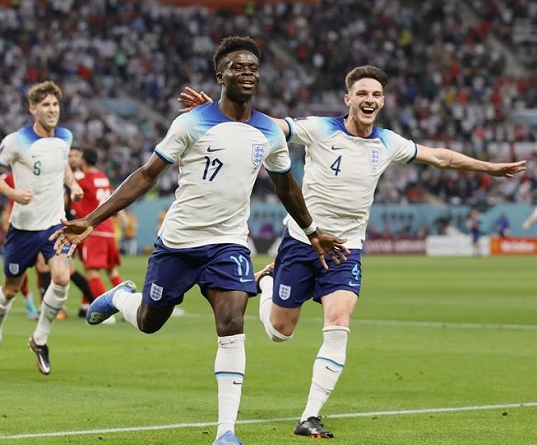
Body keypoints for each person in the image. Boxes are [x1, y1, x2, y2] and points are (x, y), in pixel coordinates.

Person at [179, 64, 527, 439]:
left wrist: (489, 168)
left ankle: (309, 416)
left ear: (383, 101)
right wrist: (218, 112)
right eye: (362, 93)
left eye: (376, 94)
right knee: (280, 332)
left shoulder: (388, 143)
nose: (369, 99)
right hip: (302, 243)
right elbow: (269, 125)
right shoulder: (320, 129)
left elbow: (440, 157)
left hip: (346, 250)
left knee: (339, 323)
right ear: (348, 99)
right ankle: (266, 284)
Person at [50, 36, 345, 445]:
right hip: (179, 243)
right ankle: (121, 298)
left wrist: (312, 232)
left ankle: (226, 431)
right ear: (220, 75)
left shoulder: (268, 131)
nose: (247, 73)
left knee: (232, 322)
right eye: (238, 67)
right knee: (150, 322)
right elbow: (146, 175)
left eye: (253, 68)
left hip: (229, 243)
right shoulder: (191, 123)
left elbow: (287, 187)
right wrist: (91, 219)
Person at [0, 80, 84, 376]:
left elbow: (63, 165)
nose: (52, 110)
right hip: (23, 229)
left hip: (54, 224)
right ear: (32, 109)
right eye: (46, 105)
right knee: (10, 290)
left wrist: (73, 184)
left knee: (62, 277)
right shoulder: (17, 141)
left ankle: (39, 340)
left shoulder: (65, 137)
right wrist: (13, 194)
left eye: (55, 104)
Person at [68, 147, 124, 319]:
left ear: (83, 161)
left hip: (94, 231)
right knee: (112, 272)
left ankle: (106, 313)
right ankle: (129, 306)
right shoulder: (103, 177)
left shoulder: (83, 180)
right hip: (108, 230)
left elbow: (75, 200)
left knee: (92, 272)